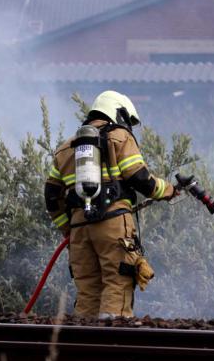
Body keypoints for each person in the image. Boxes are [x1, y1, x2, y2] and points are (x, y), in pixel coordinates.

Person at [43, 90, 176, 318]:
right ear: (118, 112)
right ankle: (113, 345)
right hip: (113, 223)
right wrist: (168, 190)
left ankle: (83, 348)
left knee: (87, 289)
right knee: (118, 280)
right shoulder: (119, 136)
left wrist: (68, 228)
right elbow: (139, 178)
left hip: (79, 229)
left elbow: (51, 196)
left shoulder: (65, 149)